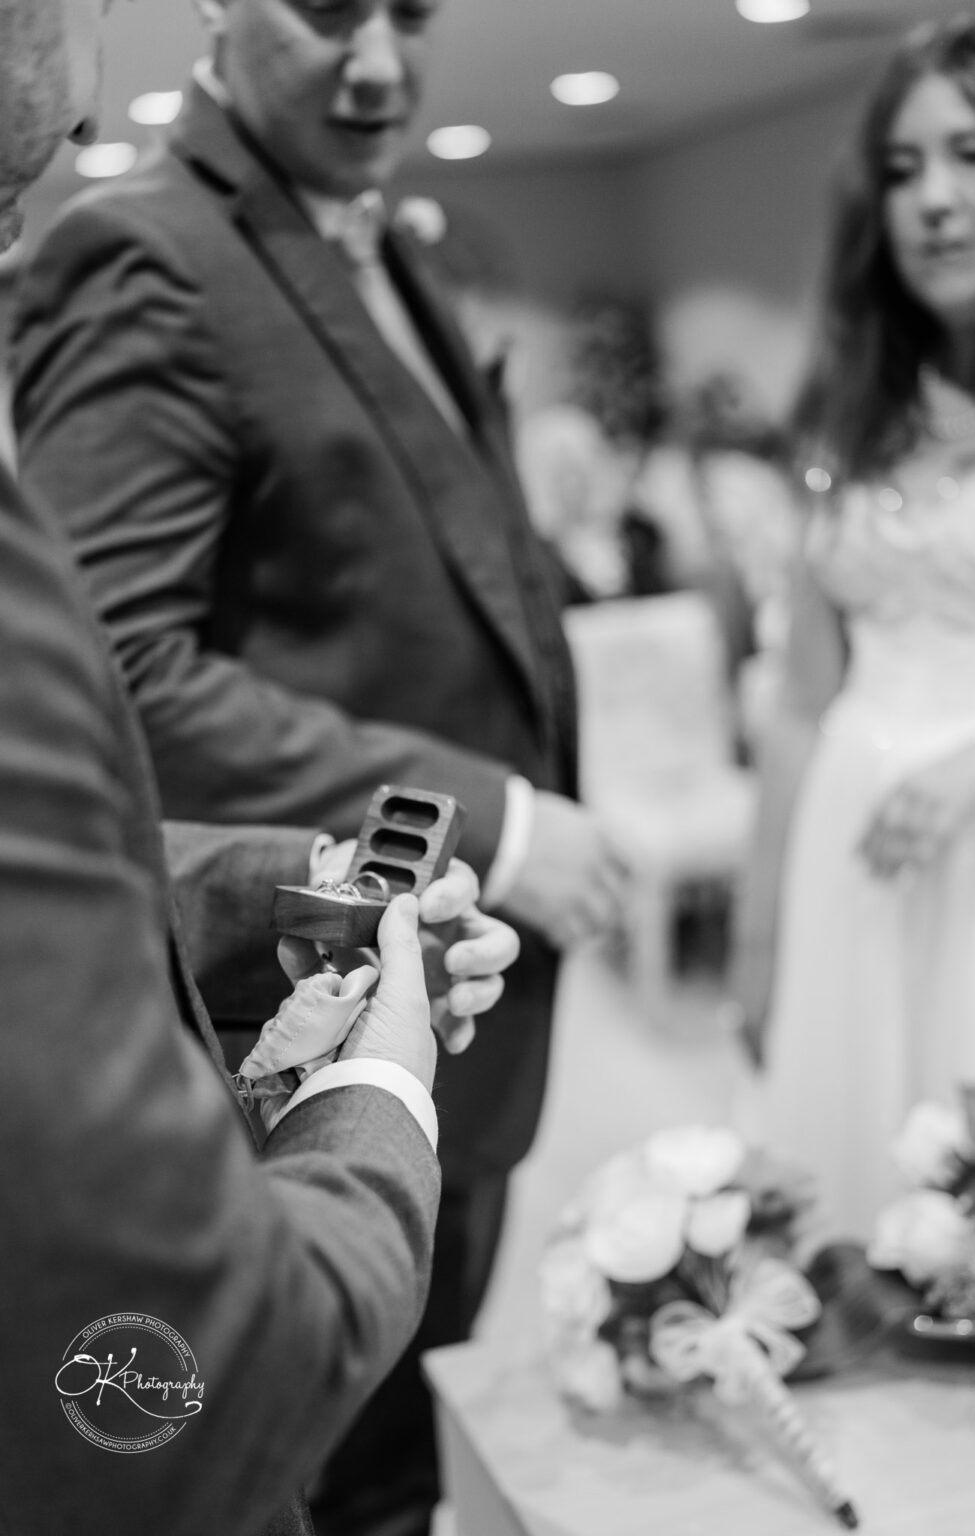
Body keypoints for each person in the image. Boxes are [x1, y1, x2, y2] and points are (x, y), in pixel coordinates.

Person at [10, 3, 625, 1531]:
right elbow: (115, 673)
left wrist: (322, 883)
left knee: (402, 1462)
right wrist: (503, 815)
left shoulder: (394, 242)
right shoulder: (137, 242)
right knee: (308, 1478)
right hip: (262, 1113)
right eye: (332, 4)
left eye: (413, 10)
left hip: (378, 963)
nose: (380, 59)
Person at [729, 12, 975, 1241]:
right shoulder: (851, 406)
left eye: (971, 154)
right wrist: (758, 929)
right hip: (851, 847)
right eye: (902, 171)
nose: (935, 202)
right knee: (862, 1209)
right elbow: (800, 696)